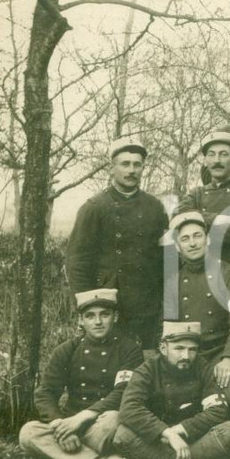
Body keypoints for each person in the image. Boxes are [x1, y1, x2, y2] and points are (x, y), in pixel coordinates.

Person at [19, 288, 143, 459]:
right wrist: (59, 426)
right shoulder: (67, 350)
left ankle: (72, 456)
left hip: (100, 424)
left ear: (115, 317)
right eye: (90, 316)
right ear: (81, 320)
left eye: (105, 315)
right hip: (69, 421)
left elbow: (124, 391)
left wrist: (83, 417)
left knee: (114, 419)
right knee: (28, 433)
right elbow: (46, 392)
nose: (98, 322)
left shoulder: (128, 349)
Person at [66, 137, 168, 350]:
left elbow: (165, 257)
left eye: (137, 165)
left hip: (146, 302)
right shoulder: (94, 208)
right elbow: (77, 261)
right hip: (109, 303)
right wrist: (86, 306)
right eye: (125, 164)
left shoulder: (155, 207)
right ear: (112, 168)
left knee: (145, 360)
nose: (131, 170)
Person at [114, 321, 230, 459]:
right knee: (123, 434)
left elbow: (218, 410)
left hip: (192, 439)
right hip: (156, 439)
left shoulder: (203, 368)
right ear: (163, 348)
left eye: (192, 349)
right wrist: (166, 433)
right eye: (179, 348)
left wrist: (179, 430)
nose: (186, 356)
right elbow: (129, 408)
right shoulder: (147, 370)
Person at [165, 212, 230, 388]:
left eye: (197, 236)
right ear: (177, 246)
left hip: (221, 354)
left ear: (208, 239)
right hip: (188, 357)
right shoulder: (172, 282)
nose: (192, 243)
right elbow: (167, 327)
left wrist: (229, 357)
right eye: (185, 239)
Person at [176, 131, 230, 273]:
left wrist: (198, 218)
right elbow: (179, 216)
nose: (217, 160)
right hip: (200, 276)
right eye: (211, 154)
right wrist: (227, 220)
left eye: (223, 154)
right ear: (205, 161)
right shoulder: (196, 193)